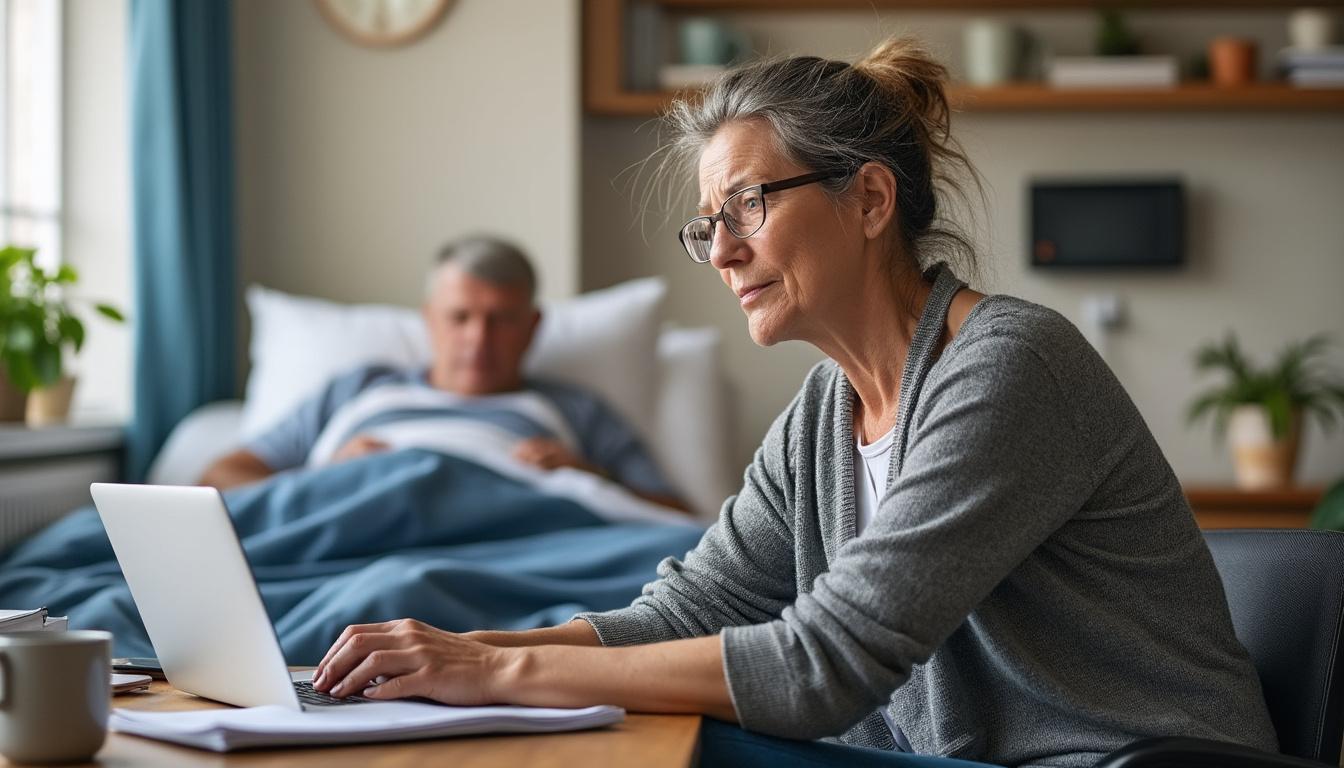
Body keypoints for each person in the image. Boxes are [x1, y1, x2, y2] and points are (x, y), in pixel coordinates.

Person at [306, 37, 1277, 767]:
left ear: (868, 201)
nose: (722, 252)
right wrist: (457, 655)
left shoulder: (1012, 367)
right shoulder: (825, 409)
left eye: (749, 206)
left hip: (1117, 764)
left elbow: (823, 664)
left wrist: (500, 676)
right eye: (708, 225)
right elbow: (695, 606)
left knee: (680, 746)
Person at [200, 236, 688, 515]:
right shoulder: (359, 389)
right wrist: (317, 480)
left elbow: (675, 517)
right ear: (429, 319)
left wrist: (590, 476)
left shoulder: (576, 409)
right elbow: (221, 477)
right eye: (460, 318)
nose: (478, 339)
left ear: (532, 326)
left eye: (500, 320)